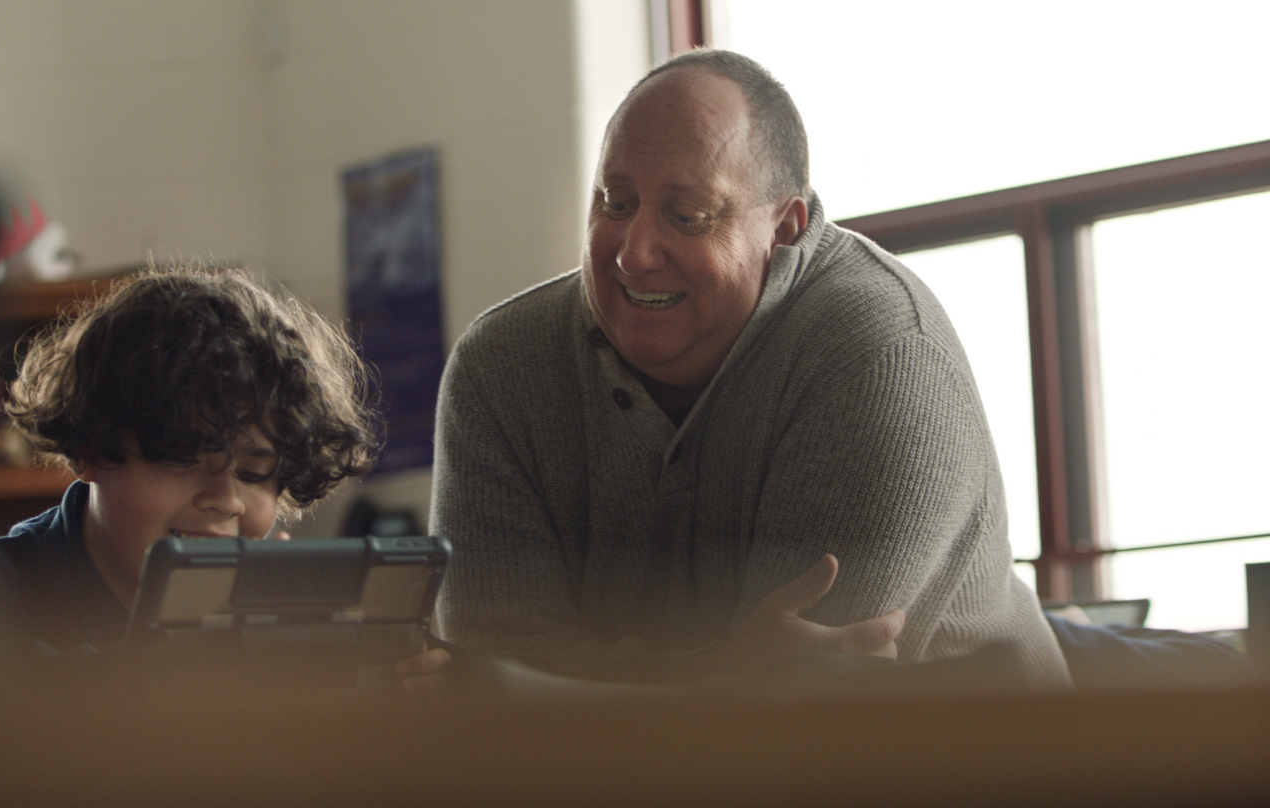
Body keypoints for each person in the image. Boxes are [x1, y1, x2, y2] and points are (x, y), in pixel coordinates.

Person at [429, 49, 1070, 688]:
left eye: (687, 217)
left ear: (784, 229)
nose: (633, 255)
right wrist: (722, 672)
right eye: (615, 203)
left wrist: (578, 686)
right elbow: (486, 680)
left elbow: (798, 710)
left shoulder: (883, 352)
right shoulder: (501, 367)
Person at [0, 264, 447, 684]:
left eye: (254, 472)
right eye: (182, 458)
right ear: (88, 448)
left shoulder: (289, 617)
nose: (225, 499)